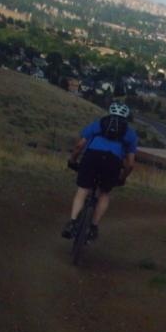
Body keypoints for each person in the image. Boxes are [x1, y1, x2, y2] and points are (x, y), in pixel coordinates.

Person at [62, 102, 138, 241]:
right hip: (113, 163)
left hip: (92, 156)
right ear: (126, 117)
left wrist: (72, 160)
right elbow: (131, 164)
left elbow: (79, 145)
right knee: (104, 193)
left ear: (109, 113)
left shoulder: (98, 124)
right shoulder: (130, 134)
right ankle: (93, 227)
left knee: (83, 190)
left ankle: (72, 223)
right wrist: (122, 177)